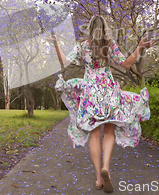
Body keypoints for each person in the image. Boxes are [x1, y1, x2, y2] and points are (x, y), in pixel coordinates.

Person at [53, 15, 153, 193]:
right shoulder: (109, 45)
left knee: (94, 135)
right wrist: (139, 48)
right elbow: (127, 65)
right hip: (108, 91)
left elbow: (64, 62)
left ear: (90, 28)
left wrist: (55, 44)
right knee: (109, 132)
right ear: (105, 28)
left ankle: (99, 177)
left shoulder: (83, 46)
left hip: (91, 93)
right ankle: (106, 167)